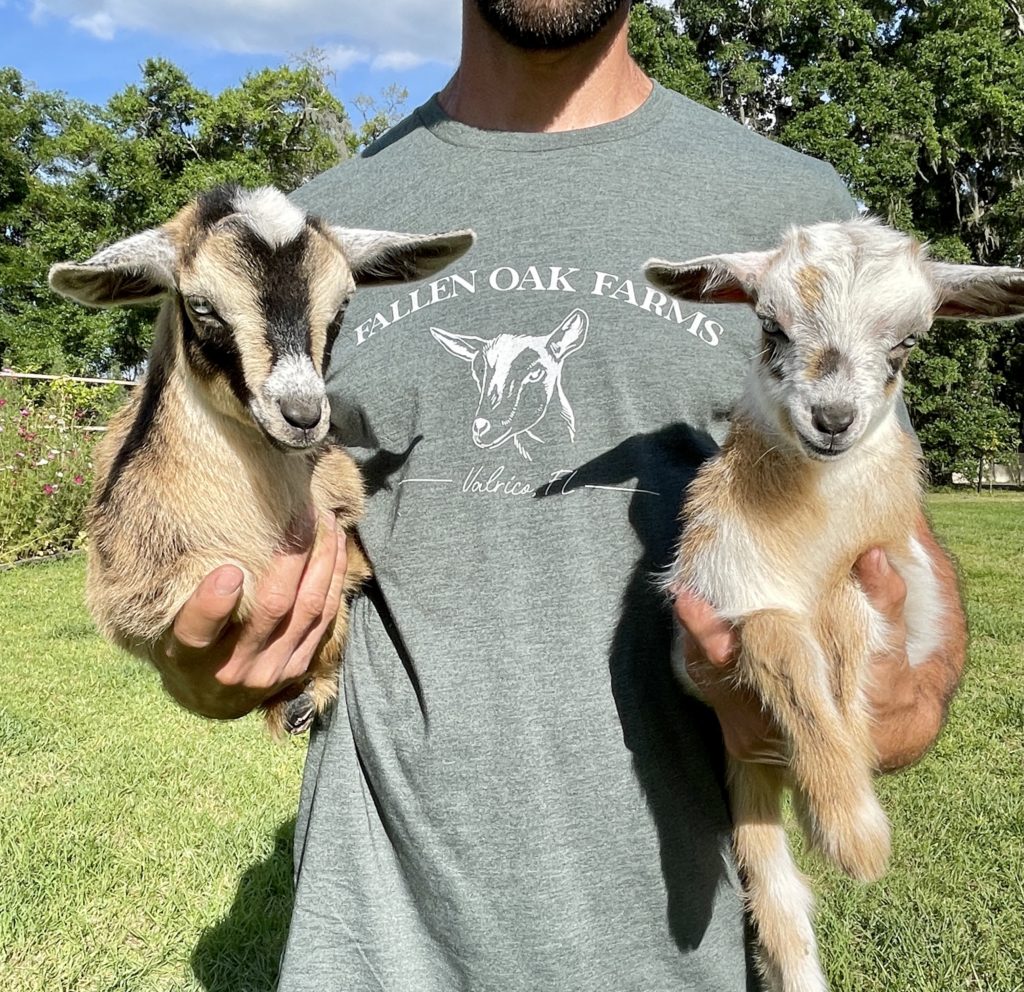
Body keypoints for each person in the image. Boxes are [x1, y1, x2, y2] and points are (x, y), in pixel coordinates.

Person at [152, 2, 967, 989]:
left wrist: (902, 701)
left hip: (686, 954)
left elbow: (894, 536)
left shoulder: (794, 215)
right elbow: (213, 548)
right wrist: (211, 663)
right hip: (381, 949)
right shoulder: (313, 240)